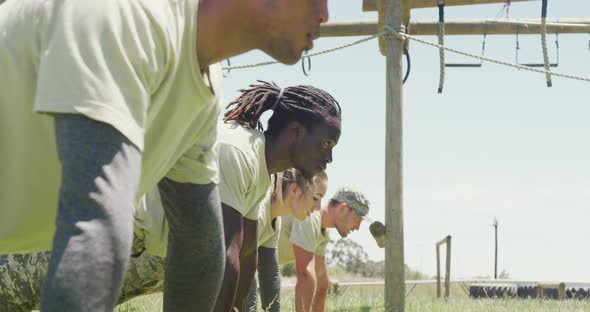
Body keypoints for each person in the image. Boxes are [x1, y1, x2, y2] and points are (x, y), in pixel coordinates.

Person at [0, 0, 329, 310]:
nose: (325, 13)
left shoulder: (204, 79)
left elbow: (198, 246)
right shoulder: (121, 15)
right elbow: (97, 225)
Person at [213, 81, 342, 311]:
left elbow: (247, 253)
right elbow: (227, 254)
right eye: (325, 143)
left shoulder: (263, 172)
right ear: (295, 132)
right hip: (142, 246)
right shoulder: (238, 152)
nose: (330, 157)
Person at [278, 185, 370, 312]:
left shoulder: (323, 233)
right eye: (357, 219)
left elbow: (321, 280)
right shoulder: (310, 215)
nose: (357, 227)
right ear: (343, 209)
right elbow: (305, 273)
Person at [246, 171, 328, 312]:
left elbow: (270, 273)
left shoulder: (275, 221)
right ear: (295, 190)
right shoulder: (259, 213)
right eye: (315, 198)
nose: (318, 208)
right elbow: (245, 270)